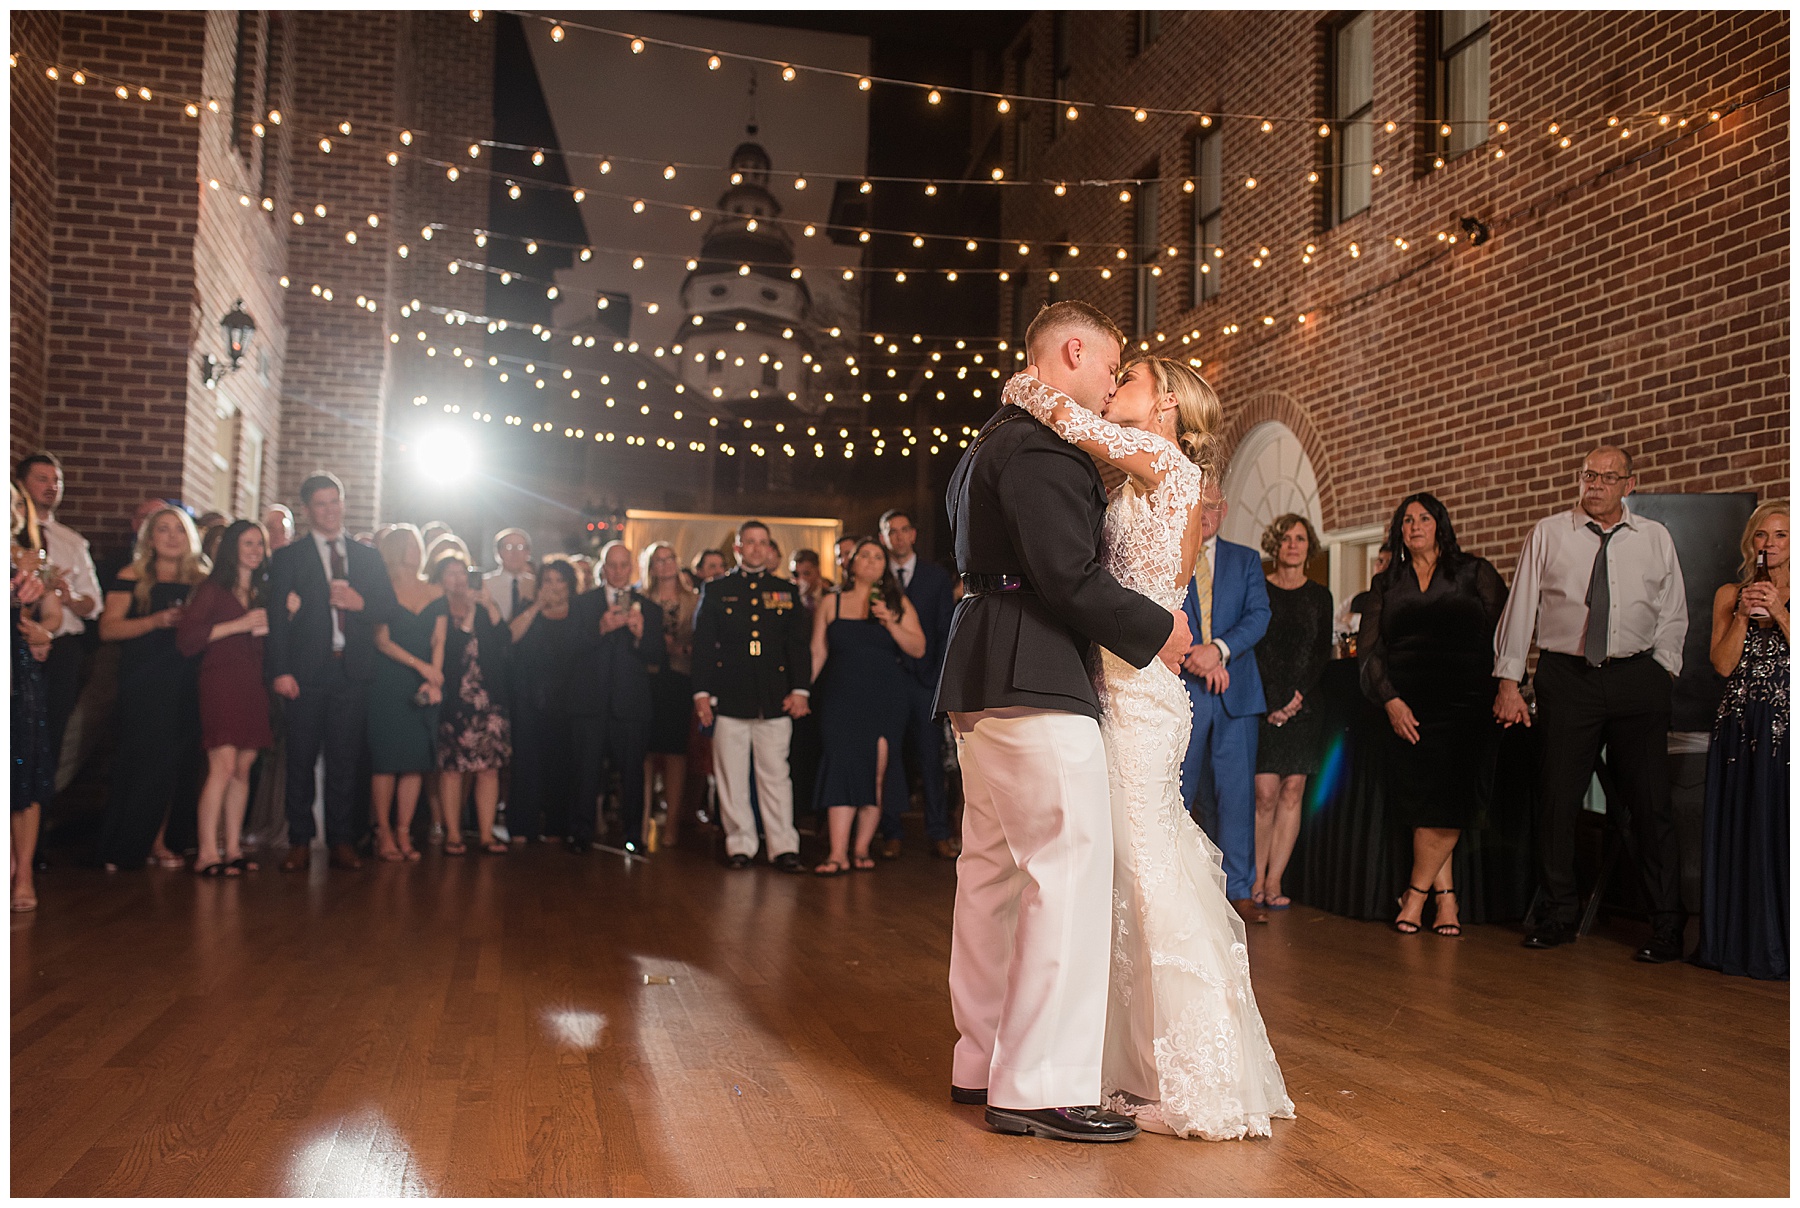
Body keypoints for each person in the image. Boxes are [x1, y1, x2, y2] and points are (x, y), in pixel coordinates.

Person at [997, 329, 1293, 1141]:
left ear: (1164, 401)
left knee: (1146, 873)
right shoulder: (1139, 474)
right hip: (1117, 685)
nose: (1115, 384)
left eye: (1129, 377)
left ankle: (1193, 1079)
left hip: (1139, 700)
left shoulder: (1168, 463)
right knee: (1128, 875)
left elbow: (1074, 421)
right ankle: (1138, 1063)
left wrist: (1027, 385)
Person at [938, 298, 1187, 1145]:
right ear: (1072, 350)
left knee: (992, 872)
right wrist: (1162, 632)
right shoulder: (1042, 446)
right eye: (1110, 367)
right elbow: (1068, 579)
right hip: (1033, 672)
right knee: (1069, 868)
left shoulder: (982, 445)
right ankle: (1038, 1084)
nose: (1113, 383)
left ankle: (979, 1059)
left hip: (979, 672)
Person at [1494, 446, 1688, 961]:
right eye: (1589, 475)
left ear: (1629, 484)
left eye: (1608, 477)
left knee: (1650, 804)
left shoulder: (1655, 538)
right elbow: (1520, 609)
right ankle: (1559, 914)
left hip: (1637, 678)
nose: (1595, 484)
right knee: (1558, 800)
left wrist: (1663, 668)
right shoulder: (1550, 533)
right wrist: (1509, 679)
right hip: (1568, 678)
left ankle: (1666, 925)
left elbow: (1674, 611)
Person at [1357, 495, 1508, 936]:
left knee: (1451, 802)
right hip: (1409, 708)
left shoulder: (1473, 572)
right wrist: (1391, 701)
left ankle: (1415, 895)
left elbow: (1508, 635)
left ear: (1440, 525)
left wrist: (1509, 688)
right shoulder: (1388, 583)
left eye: (1424, 518)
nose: (1415, 526)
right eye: (1407, 520)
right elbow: (1369, 652)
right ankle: (1447, 900)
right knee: (1427, 804)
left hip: (1467, 707)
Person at [264, 472, 400, 873]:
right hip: (304, 672)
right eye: (320, 504)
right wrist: (280, 671)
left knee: (344, 761)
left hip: (352, 671)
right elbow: (275, 619)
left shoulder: (367, 556)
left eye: (334, 501)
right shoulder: (290, 556)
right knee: (300, 759)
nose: (329, 510)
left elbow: (388, 608)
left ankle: (341, 839)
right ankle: (300, 840)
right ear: (307, 510)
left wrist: (360, 603)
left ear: (343, 503)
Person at [1692, 502, 1788, 979]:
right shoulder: (1730, 594)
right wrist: (1747, 615)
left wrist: (1781, 613)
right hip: (1738, 727)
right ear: (1751, 543)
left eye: (1782, 535)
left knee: (1781, 831)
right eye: (1762, 536)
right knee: (1742, 829)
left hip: (1786, 728)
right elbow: (1723, 665)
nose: (1770, 544)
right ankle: (1739, 942)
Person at [691, 520, 812, 872]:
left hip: (774, 698)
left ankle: (783, 847)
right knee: (731, 776)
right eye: (750, 542)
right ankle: (739, 845)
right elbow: (702, 647)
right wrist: (701, 692)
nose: (757, 548)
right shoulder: (716, 590)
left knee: (776, 776)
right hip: (729, 697)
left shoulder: (785, 591)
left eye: (763, 542)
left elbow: (797, 646)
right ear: (738, 547)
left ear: (770, 549)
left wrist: (800, 689)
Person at [1178, 481, 1271, 925]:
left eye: (1213, 507)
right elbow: (1166, 611)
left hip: (1237, 692)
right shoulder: (1173, 554)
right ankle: (1181, 884)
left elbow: (1259, 617)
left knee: (1236, 796)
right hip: (1187, 690)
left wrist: (1218, 650)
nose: (1207, 514)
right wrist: (1199, 658)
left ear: (1225, 509)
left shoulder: (1246, 559)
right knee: (1180, 790)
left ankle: (1240, 889)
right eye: (1201, 506)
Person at [95, 505, 207, 871]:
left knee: (180, 762)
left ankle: (166, 839)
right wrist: (154, 621)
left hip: (189, 679)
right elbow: (108, 629)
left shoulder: (202, 579)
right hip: (145, 679)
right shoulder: (133, 574)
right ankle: (135, 842)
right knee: (145, 761)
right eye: (163, 529)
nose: (172, 536)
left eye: (179, 529)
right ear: (150, 537)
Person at [810, 537, 926, 874]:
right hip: (840, 696)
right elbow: (818, 652)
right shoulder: (831, 602)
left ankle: (861, 849)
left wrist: (890, 621)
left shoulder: (896, 602)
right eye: (865, 555)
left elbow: (918, 648)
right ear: (852, 563)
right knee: (840, 764)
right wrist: (801, 692)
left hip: (885, 697)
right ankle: (836, 853)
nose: (872, 561)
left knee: (877, 772)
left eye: (878, 556)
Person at [176, 519, 274, 876]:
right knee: (223, 766)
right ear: (232, 548)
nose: (254, 551)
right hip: (221, 680)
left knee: (243, 769)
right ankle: (206, 852)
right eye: (247, 543)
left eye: (259, 544)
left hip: (255, 683)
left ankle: (232, 848)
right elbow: (187, 640)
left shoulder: (265, 592)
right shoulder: (212, 590)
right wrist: (239, 625)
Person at [1251, 514, 1334, 911]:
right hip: (1263, 703)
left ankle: (1275, 879)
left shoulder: (1320, 596)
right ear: (1275, 544)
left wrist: (1294, 698)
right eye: (1286, 538)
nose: (1293, 545)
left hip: (1304, 706)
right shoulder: (1259, 589)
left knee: (1293, 790)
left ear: (1308, 546)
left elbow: (1321, 653)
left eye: (1300, 538)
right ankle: (1253, 878)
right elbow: (1253, 647)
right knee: (1264, 792)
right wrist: (1272, 701)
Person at [566, 541, 665, 853]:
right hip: (590, 702)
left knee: (633, 775)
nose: (619, 572)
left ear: (632, 568)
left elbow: (658, 656)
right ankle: (581, 834)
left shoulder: (649, 608)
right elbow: (569, 650)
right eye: (613, 565)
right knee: (585, 771)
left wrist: (640, 635)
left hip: (631, 705)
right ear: (603, 568)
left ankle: (634, 835)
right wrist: (600, 628)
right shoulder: (584, 604)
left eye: (624, 565)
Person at [877, 507, 960, 860]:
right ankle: (891, 832)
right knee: (890, 758)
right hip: (885, 682)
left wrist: (937, 679)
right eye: (889, 531)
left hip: (925, 681)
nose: (897, 536)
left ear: (913, 534)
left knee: (930, 759)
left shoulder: (936, 577)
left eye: (902, 530)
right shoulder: (876, 577)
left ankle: (938, 832)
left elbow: (944, 631)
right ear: (883, 538)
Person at [17, 452, 104, 786]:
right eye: (43, 479)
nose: (52, 486)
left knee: (51, 728)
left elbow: (93, 604)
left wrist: (69, 597)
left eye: (57, 480)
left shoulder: (72, 542)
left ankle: (39, 811)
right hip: (18, 638)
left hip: (61, 646)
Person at [367, 524, 446, 862]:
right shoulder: (381, 591)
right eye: (410, 544)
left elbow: (439, 640)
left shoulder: (435, 592)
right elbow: (381, 641)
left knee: (414, 763)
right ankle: (382, 832)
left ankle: (404, 831)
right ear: (396, 550)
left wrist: (433, 677)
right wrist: (421, 667)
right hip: (387, 681)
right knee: (385, 762)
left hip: (422, 684)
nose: (416, 550)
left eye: (418, 545)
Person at [431, 551, 512, 855]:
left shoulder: (481, 606)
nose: (458, 579)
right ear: (440, 579)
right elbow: (449, 652)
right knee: (453, 769)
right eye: (450, 573)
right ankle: (453, 833)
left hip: (488, 699)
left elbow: (504, 640)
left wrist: (489, 605)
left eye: (462, 572)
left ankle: (487, 833)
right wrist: (466, 619)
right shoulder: (438, 609)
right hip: (455, 699)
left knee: (489, 769)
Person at [13, 484, 63, 911]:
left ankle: (23, 873)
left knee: (22, 774)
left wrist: (44, 632)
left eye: (16, 504)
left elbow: (53, 616)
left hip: (20, 673)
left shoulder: (32, 560)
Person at [508, 557, 580, 843]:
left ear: (570, 585)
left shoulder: (579, 613)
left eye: (560, 580)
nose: (554, 587)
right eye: (548, 580)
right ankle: (522, 825)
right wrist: (537, 606)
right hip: (529, 695)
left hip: (567, 698)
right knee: (526, 762)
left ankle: (556, 826)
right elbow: (509, 637)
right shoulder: (528, 608)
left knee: (561, 763)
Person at [639, 541, 697, 847]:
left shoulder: (693, 600)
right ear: (650, 566)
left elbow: (704, 642)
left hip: (678, 679)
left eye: (669, 558)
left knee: (675, 752)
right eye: (658, 560)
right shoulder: (641, 598)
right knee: (645, 751)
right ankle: (644, 816)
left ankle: (671, 824)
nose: (665, 565)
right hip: (646, 680)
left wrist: (681, 648)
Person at [485, 527, 535, 622]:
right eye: (509, 547)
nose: (515, 553)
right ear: (499, 552)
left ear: (528, 552)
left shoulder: (536, 585)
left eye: (520, 547)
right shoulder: (486, 584)